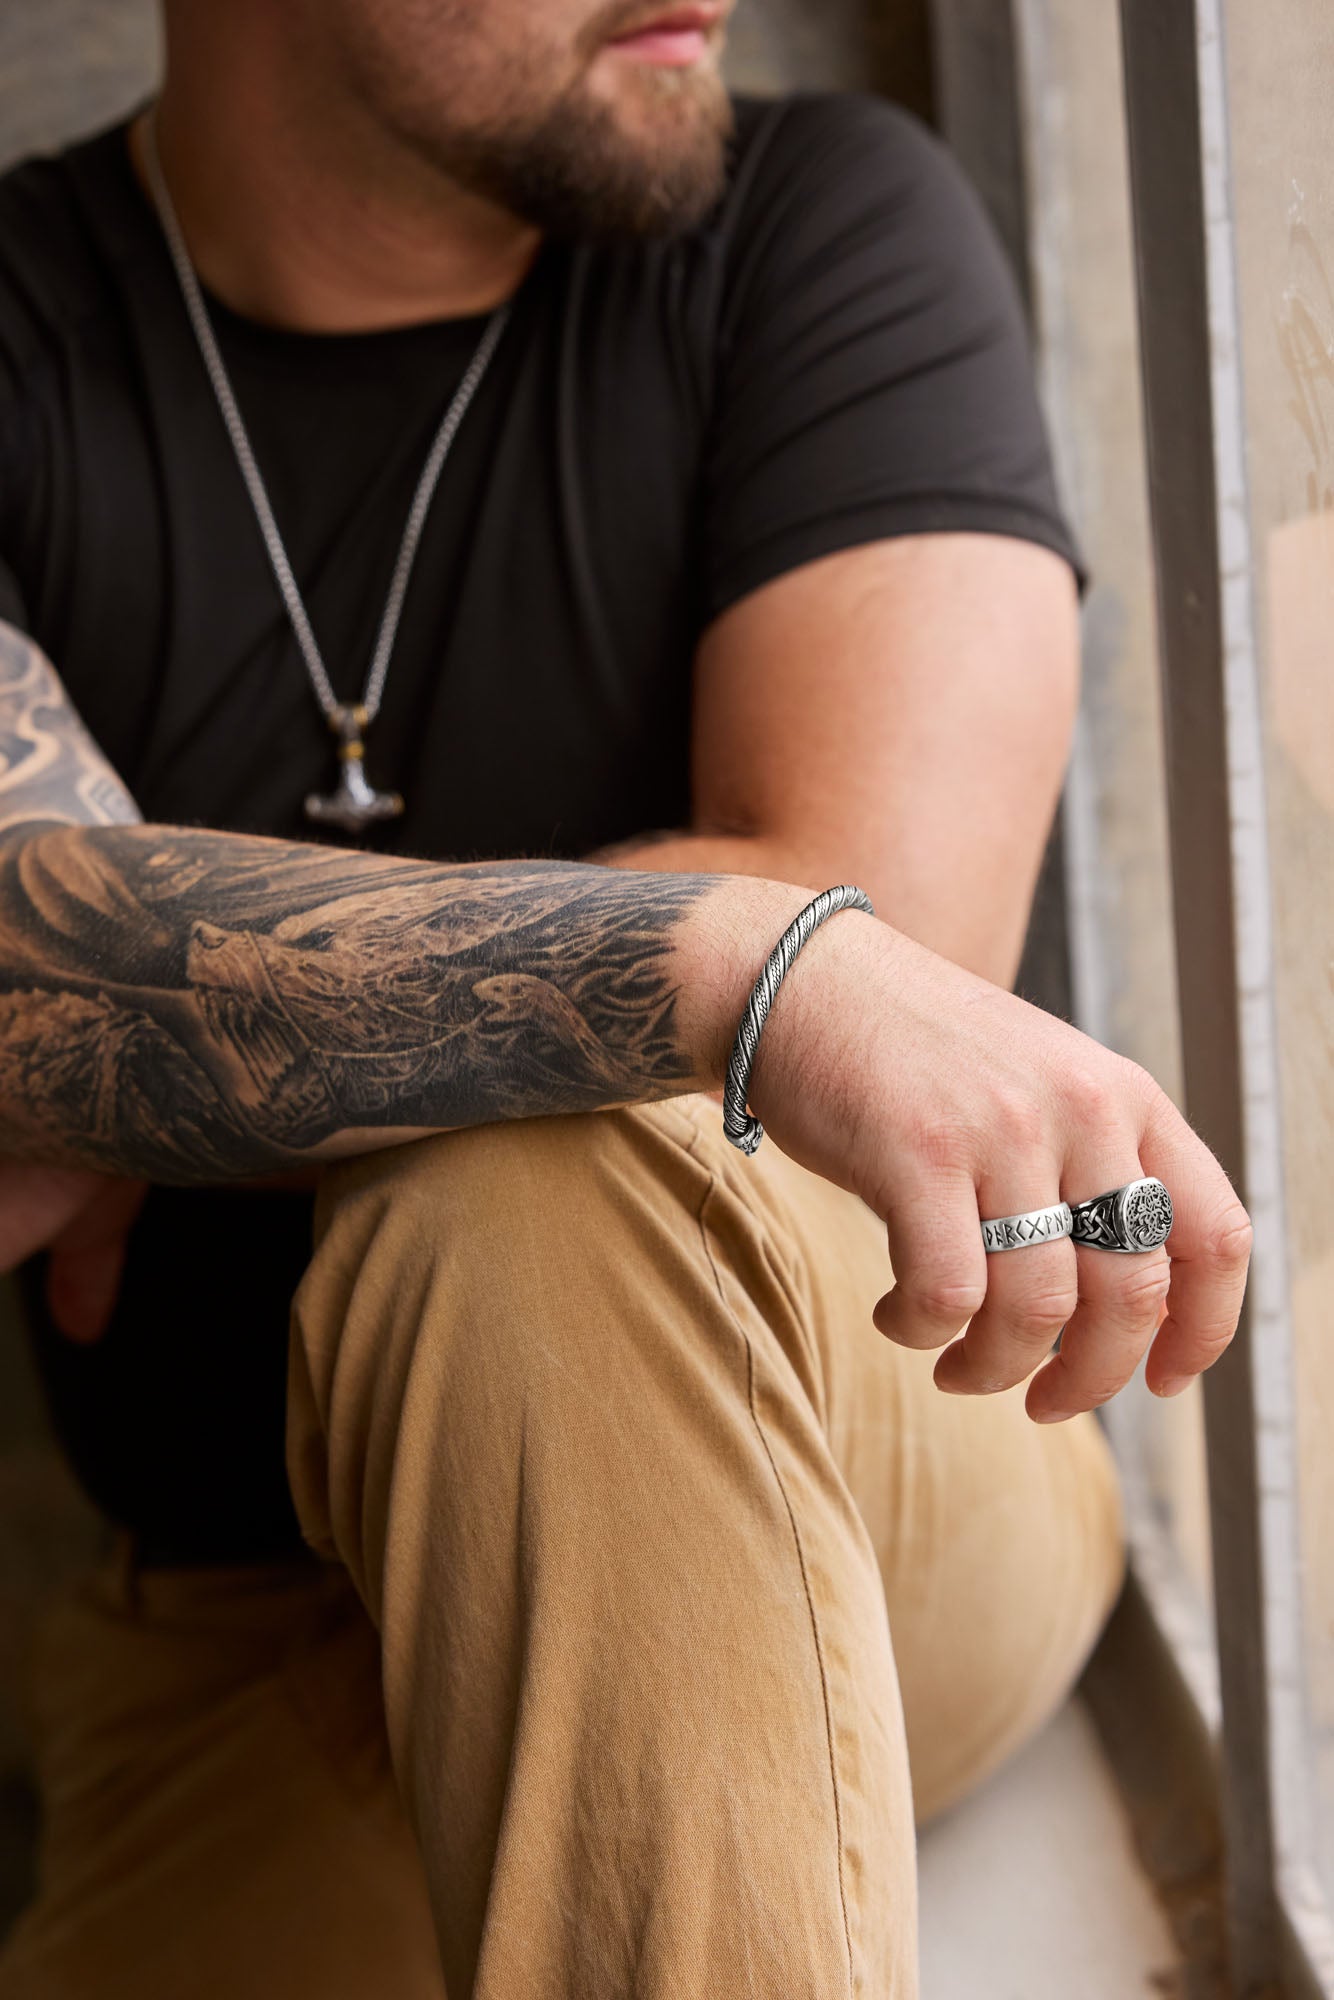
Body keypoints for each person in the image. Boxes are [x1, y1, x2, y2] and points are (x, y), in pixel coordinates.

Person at [0, 1, 1250, 1994]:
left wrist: (180, 1031)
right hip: (243, 1624)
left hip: (863, 1427)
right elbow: (9, 948)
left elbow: (892, 935)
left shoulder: (823, 235)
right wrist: (717, 953)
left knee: (521, 1190)